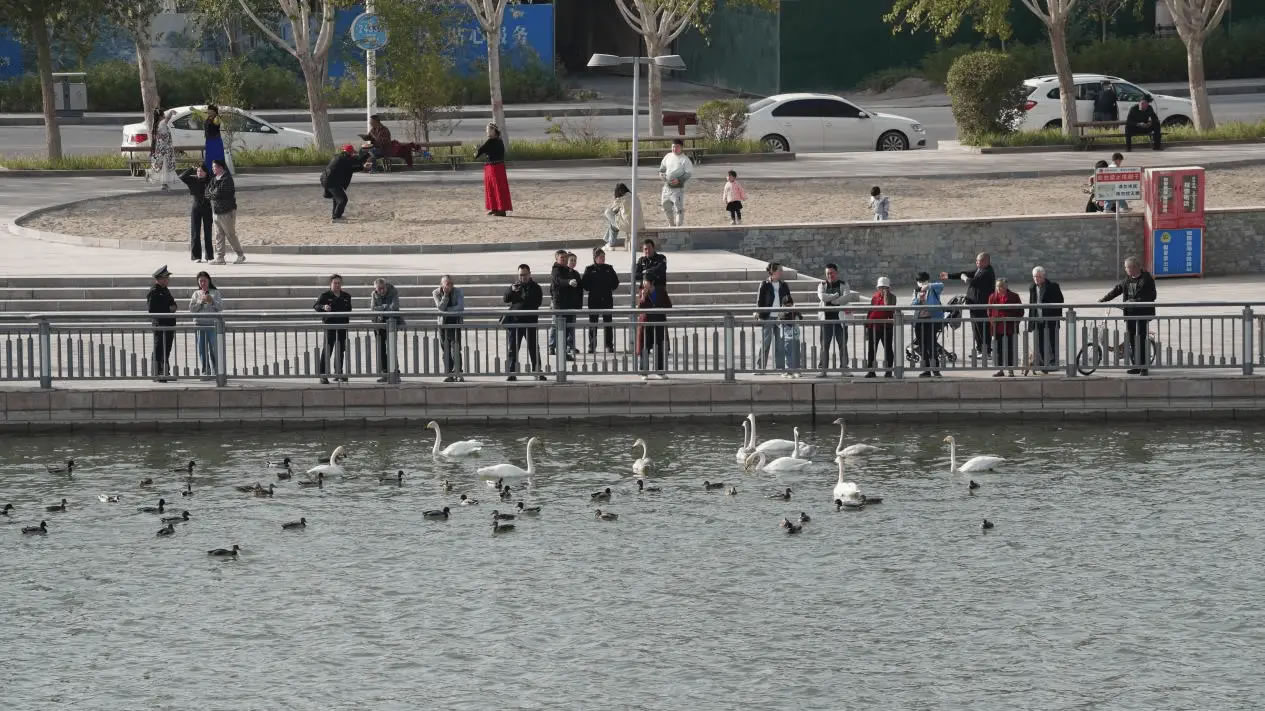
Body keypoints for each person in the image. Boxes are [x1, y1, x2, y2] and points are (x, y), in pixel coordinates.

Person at [1099, 256, 1157, 375]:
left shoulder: (1147, 279)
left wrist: (1134, 301)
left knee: (1140, 340)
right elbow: (1117, 289)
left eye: (1127, 267)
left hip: (1142, 315)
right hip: (1130, 315)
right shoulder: (1128, 279)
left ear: (1134, 267)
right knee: (1132, 341)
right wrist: (1104, 299)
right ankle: (1136, 366)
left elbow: (1151, 296)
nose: (1125, 269)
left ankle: (1144, 367)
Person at [941, 252, 996, 358]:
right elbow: (965, 273)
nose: (977, 262)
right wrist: (949, 276)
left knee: (982, 328)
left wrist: (964, 278)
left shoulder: (987, 272)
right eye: (976, 261)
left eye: (979, 261)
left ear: (986, 261)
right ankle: (980, 350)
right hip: (974, 304)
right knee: (976, 328)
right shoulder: (980, 270)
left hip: (981, 306)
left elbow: (973, 281)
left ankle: (986, 351)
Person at [503, 264, 545, 381]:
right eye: (521, 275)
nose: (523, 277)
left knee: (533, 348)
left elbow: (537, 302)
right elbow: (505, 299)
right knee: (513, 348)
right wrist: (512, 291)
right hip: (515, 322)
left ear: (530, 274)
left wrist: (521, 296)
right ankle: (511, 372)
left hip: (530, 322)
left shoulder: (536, 287)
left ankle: (537, 371)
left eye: (525, 274)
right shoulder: (514, 286)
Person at [817, 263, 860, 376]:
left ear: (836, 273)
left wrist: (833, 300)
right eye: (827, 273)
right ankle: (823, 369)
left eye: (831, 273)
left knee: (842, 345)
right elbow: (822, 297)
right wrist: (836, 296)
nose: (829, 275)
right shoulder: (822, 285)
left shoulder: (844, 284)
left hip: (840, 320)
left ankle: (844, 368)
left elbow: (847, 297)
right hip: (826, 320)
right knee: (824, 345)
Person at [314, 274, 352, 384]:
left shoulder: (346, 296)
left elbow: (349, 309)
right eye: (335, 283)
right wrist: (323, 307)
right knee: (327, 350)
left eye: (339, 283)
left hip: (342, 326)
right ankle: (323, 375)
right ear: (330, 284)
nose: (337, 285)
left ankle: (339, 373)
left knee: (340, 350)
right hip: (329, 327)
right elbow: (316, 306)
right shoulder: (325, 295)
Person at [755, 262, 792, 372]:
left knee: (780, 345)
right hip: (768, 317)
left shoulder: (784, 285)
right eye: (780, 270)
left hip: (780, 318)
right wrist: (760, 315)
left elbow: (789, 301)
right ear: (773, 271)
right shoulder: (764, 284)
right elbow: (760, 301)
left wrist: (787, 310)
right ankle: (760, 368)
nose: (782, 272)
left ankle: (780, 368)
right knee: (765, 343)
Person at [582, 247, 619, 353]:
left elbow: (616, 282)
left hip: (607, 299)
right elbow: (585, 283)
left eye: (604, 256)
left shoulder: (609, 268)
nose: (603, 258)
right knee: (593, 323)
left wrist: (609, 287)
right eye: (600, 257)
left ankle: (609, 345)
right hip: (594, 300)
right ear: (595, 258)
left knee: (608, 322)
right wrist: (593, 288)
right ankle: (592, 345)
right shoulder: (589, 269)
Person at [207, 159, 245, 265]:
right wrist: (212, 192)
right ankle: (220, 257)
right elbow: (207, 193)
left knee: (230, 234)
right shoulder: (213, 179)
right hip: (216, 211)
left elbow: (219, 193)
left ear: (220, 167)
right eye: (212, 167)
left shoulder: (227, 179)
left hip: (227, 211)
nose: (213, 169)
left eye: (215, 167)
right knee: (218, 235)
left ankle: (240, 255)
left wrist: (212, 192)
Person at [1028, 266, 1064, 374]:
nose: (1037, 279)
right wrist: (1031, 322)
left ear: (1044, 276)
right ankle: (1043, 363)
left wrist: (1056, 317)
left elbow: (1060, 301)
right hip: (1038, 320)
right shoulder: (1032, 287)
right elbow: (1031, 305)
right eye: (1035, 276)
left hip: (1051, 320)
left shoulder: (1053, 286)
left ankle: (1054, 362)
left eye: (1039, 276)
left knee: (1052, 342)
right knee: (1040, 343)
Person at [188, 270, 223, 379]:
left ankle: (216, 370)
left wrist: (212, 301)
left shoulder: (215, 293)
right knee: (202, 349)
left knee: (214, 348)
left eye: (205, 281)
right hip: (200, 324)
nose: (203, 283)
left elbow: (220, 307)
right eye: (200, 281)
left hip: (212, 325)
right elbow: (192, 309)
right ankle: (205, 370)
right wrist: (200, 302)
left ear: (209, 281)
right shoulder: (196, 294)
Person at [548, 249, 581, 359]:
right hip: (560, 305)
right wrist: (568, 282)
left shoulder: (569, 270)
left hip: (569, 304)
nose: (564, 259)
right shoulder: (555, 270)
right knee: (560, 329)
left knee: (567, 330)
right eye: (562, 258)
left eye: (565, 257)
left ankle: (564, 351)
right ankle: (558, 350)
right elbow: (558, 280)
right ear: (557, 259)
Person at [147, 265, 177, 382]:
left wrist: (173, 307)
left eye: (167, 278)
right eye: (165, 278)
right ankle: (157, 373)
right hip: (160, 325)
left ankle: (165, 372)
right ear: (159, 279)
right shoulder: (154, 291)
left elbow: (173, 304)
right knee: (159, 349)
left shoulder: (165, 290)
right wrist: (168, 309)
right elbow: (152, 309)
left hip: (169, 324)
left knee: (166, 349)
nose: (167, 280)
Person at [987, 278, 1022, 377]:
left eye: (1001, 286)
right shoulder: (992, 296)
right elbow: (989, 311)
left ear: (1006, 286)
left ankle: (1011, 370)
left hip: (1010, 328)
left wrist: (1015, 322)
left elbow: (1020, 311)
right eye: (997, 286)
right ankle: (1000, 370)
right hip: (997, 328)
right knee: (998, 350)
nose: (999, 288)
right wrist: (992, 321)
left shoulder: (1014, 296)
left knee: (1010, 349)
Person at [912, 271, 945, 377]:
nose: (921, 283)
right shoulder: (916, 291)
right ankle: (926, 370)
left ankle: (935, 369)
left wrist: (928, 286)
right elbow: (913, 304)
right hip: (919, 321)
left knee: (932, 346)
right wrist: (918, 298)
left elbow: (941, 285)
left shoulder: (933, 289)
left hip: (931, 321)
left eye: (923, 281)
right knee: (922, 346)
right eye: (919, 281)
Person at [638, 277, 672, 379]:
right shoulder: (642, 291)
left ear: (652, 282)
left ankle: (659, 371)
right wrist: (643, 297)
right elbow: (640, 307)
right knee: (645, 347)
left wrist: (659, 307)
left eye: (646, 281)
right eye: (643, 281)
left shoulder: (660, 291)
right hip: (646, 323)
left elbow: (668, 305)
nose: (644, 283)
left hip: (659, 322)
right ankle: (644, 372)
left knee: (659, 347)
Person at [370, 278, 403, 383]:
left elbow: (395, 307)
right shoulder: (374, 294)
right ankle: (384, 373)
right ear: (375, 289)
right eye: (379, 289)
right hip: (379, 324)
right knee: (381, 349)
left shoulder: (393, 292)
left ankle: (395, 373)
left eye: (383, 288)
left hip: (391, 323)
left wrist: (381, 307)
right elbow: (373, 309)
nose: (381, 291)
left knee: (391, 348)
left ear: (386, 286)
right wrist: (385, 307)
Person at [178, 165, 213, 263]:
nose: (199, 173)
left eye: (201, 171)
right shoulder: (193, 180)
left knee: (208, 233)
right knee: (195, 233)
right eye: (198, 171)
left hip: (207, 208)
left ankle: (209, 257)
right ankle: (196, 256)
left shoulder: (210, 180)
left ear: (206, 172)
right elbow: (182, 177)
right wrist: (191, 169)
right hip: (196, 208)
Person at [433, 275, 465, 382]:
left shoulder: (458, 291)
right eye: (447, 284)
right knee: (445, 350)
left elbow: (460, 307)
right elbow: (440, 307)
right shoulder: (436, 293)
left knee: (456, 349)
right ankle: (448, 373)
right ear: (442, 285)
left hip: (455, 324)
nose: (450, 286)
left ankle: (458, 373)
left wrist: (447, 310)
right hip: (443, 325)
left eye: (451, 283)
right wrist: (446, 296)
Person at [476, 123, 512, 217]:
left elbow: (478, 153)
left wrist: (477, 150)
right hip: (493, 168)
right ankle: (495, 208)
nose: (486, 132)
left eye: (488, 130)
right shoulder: (498, 140)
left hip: (495, 168)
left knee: (497, 188)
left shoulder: (491, 141)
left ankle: (501, 210)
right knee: (492, 188)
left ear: (493, 131)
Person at [321, 144, 363, 222]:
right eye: (352, 152)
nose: (353, 154)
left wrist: (362, 167)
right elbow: (356, 162)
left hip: (329, 180)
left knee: (337, 199)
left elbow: (350, 169)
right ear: (349, 152)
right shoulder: (344, 159)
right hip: (331, 182)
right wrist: (366, 158)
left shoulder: (338, 157)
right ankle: (336, 218)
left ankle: (335, 215)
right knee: (343, 200)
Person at [864, 276, 896, 378]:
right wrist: (867, 326)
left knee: (888, 349)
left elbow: (888, 308)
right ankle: (871, 371)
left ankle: (889, 370)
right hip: (873, 327)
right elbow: (870, 312)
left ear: (888, 288)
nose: (882, 289)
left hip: (886, 327)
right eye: (880, 287)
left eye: (884, 287)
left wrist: (886, 296)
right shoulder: (874, 297)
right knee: (872, 350)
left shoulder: (892, 297)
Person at [658, 138, 693, 226]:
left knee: (678, 208)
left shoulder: (685, 159)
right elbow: (662, 168)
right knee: (665, 206)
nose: (675, 149)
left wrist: (679, 180)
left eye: (677, 147)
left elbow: (688, 174)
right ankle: (671, 224)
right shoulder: (668, 156)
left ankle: (678, 226)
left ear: (681, 147)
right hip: (666, 187)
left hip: (678, 189)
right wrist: (661, 174)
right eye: (673, 147)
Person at [602, 183, 641, 251]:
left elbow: (612, 210)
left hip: (628, 225)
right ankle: (609, 242)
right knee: (613, 224)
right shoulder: (634, 197)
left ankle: (610, 243)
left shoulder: (622, 199)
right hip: (638, 224)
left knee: (608, 213)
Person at [148, 108, 175, 190]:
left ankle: (164, 183)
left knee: (163, 166)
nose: (164, 116)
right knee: (164, 167)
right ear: (160, 116)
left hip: (160, 149)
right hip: (164, 150)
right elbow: (167, 119)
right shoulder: (162, 123)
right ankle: (164, 183)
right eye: (163, 114)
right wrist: (171, 112)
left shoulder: (156, 125)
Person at [202, 104, 234, 174]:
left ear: (214, 112)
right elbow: (200, 113)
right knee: (209, 158)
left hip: (216, 141)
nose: (209, 112)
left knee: (218, 158)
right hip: (208, 141)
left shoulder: (217, 118)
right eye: (208, 110)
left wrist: (219, 116)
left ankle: (221, 173)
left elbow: (217, 122)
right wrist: (193, 109)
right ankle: (209, 173)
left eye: (210, 111)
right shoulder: (207, 117)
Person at [779, 295, 803, 378]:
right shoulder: (790, 312)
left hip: (791, 337)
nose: (788, 307)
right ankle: (794, 371)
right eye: (787, 306)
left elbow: (799, 319)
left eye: (790, 305)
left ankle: (792, 371)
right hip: (792, 337)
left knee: (792, 354)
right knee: (792, 354)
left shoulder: (792, 312)